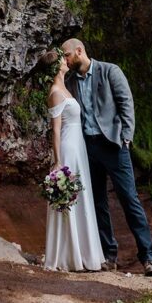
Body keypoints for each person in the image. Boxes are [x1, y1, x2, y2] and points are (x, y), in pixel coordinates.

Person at [62, 38, 152, 277]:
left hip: (114, 145)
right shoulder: (70, 81)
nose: (65, 60)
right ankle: (109, 256)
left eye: (67, 55)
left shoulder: (109, 71)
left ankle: (148, 258)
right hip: (88, 148)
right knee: (97, 203)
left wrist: (126, 137)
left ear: (79, 51)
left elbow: (126, 104)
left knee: (129, 199)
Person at [41, 49, 106, 272]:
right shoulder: (56, 92)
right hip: (68, 148)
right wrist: (58, 162)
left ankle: (84, 254)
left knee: (81, 198)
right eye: (62, 58)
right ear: (56, 66)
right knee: (69, 202)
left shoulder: (65, 89)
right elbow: (56, 131)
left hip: (78, 147)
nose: (66, 60)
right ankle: (68, 256)